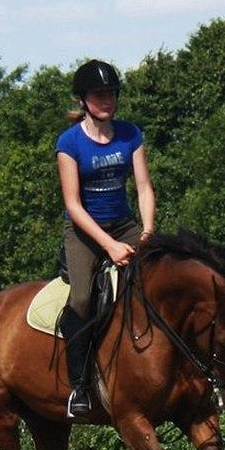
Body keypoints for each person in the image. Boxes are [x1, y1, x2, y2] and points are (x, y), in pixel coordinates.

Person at [56, 59, 156, 419]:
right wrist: (109, 246)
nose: (107, 101)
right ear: (83, 100)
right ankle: (79, 387)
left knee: (161, 274)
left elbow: (143, 186)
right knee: (82, 298)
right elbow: (73, 204)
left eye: (111, 94)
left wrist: (146, 230)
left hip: (124, 224)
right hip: (85, 230)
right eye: (99, 95)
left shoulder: (131, 133)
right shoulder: (69, 143)